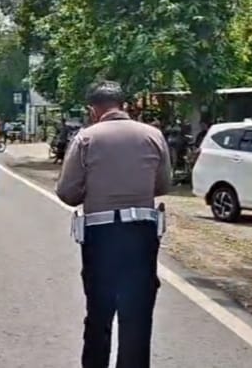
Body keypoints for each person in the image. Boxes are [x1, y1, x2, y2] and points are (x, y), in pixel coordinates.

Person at [56, 81, 172, 368]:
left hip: (101, 233)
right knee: (138, 313)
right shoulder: (153, 135)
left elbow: (67, 193)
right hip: (143, 232)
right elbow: (163, 184)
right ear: (124, 105)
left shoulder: (86, 139)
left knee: (99, 310)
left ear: (92, 110)